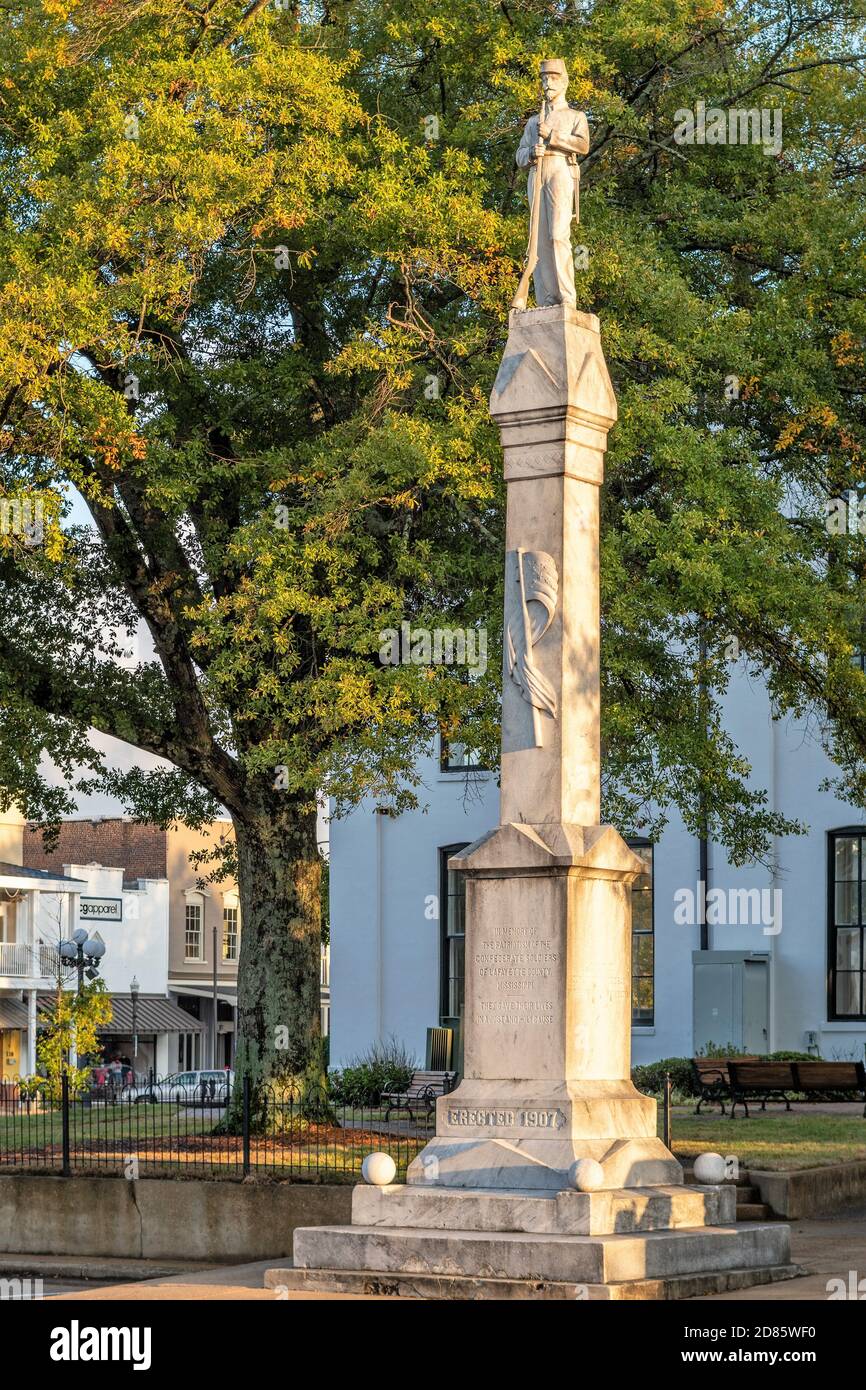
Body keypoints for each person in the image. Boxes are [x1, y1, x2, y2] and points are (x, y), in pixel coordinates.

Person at [514, 58, 589, 309]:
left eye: (554, 79)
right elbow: (520, 154)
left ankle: (567, 297)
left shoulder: (575, 116)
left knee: (558, 235)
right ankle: (546, 298)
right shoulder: (533, 121)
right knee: (538, 240)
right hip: (538, 171)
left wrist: (552, 136)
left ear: (564, 82)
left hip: (560, 168)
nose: (548, 84)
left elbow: (583, 145)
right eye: (545, 79)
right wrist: (531, 154)